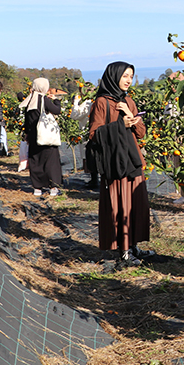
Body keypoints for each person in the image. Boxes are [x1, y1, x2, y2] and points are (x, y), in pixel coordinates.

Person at [88, 62, 154, 268]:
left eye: (131, 76)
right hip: (115, 162)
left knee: (136, 205)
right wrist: (119, 125)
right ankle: (123, 251)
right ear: (113, 76)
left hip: (133, 159)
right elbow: (93, 135)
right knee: (121, 206)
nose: (128, 80)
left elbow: (141, 133)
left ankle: (133, 245)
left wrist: (130, 116)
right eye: (125, 75)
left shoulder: (128, 101)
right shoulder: (102, 102)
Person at [20, 78, 63, 197]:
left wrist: (27, 135)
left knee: (35, 161)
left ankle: (37, 188)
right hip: (45, 136)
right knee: (51, 161)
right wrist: (56, 101)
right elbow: (57, 110)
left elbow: (27, 120)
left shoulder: (29, 100)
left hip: (33, 136)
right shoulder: (44, 99)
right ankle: (53, 188)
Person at [70, 85, 99, 189]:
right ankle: (94, 179)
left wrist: (76, 103)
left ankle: (94, 180)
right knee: (93, 156)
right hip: (93, 132)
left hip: (86, 133)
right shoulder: (95, 101)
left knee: (89, 157)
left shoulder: (86, 104)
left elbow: (74, 115)